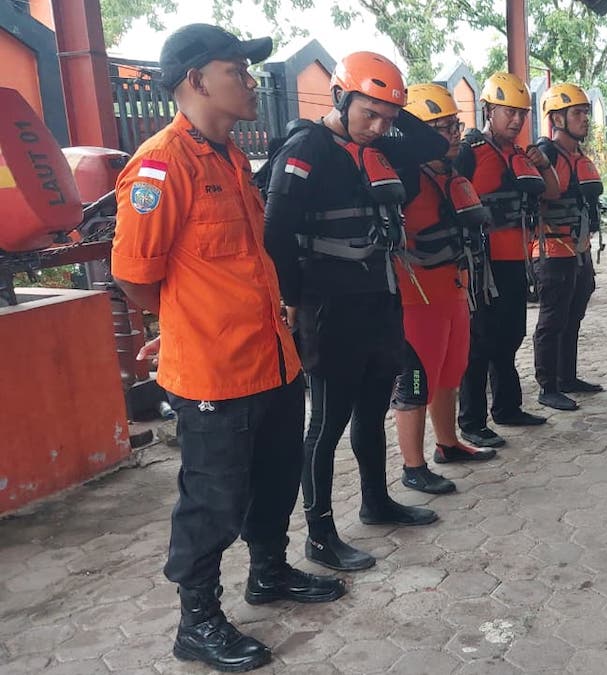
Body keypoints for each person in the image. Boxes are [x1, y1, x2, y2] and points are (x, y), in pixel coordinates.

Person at [111, 24, 344, 672]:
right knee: (211, 500)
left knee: (274, 479)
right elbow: (133, 272)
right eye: (236, 69)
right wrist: (182, 321)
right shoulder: (161, 165)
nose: (248, 80)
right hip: (213, 374)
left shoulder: (231, 157)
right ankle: (198, 619)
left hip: (272, 358)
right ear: (195, 80)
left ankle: (268, 571)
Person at [262, 52, 449, 573]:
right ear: (340, 99)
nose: (380, 126)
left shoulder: (378, 148)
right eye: (369, 113)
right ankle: (319, 534)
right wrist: (292, 300)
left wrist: (391, 103)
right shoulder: (306, 148)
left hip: (378, 301)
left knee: (371, 411)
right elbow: (275, 229)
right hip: (329, 308)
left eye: (389, 118)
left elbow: (432, 143)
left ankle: (376, 500)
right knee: (327, 422)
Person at [390, 83, 499, 469]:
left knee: (451, 370)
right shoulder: (403, 177)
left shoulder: (451, 174)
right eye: (441, 128)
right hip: (416, 296)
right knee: (416, 381)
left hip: (454, 289)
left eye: (454, 125)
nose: (453, 134)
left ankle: (448, 443)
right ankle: (413, 467)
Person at [455, 72, 561, 447]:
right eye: (508, 112)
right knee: (479, 342)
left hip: (516, 260)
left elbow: (551, 192)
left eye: (521, 113)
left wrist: (542, 163)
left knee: (510, 335)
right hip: (483, 265)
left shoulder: (520, 154)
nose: (516, 120)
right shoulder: (469, 151)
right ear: (488, 110)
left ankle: (507, 408)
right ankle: (471, 420)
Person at [531, 83, 605, 411]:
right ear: (557, 118)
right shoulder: (544, 155)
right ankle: (548, 387)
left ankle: (567, 377)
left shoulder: (578, 155)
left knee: (574, 316)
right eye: (577, 113)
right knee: (552, 320)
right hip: (552, 251)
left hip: (579, 250)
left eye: (586, 113)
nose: (585, 119)